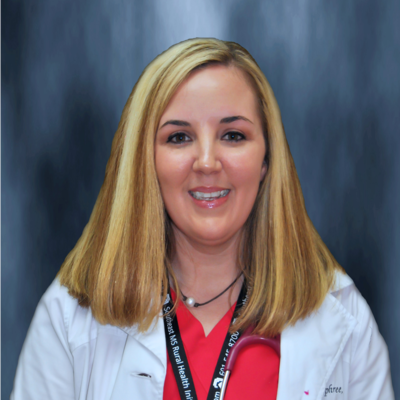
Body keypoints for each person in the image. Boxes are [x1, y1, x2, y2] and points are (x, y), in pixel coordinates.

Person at [10, 38, 394, 400]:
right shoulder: (67, 319)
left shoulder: (344, 320)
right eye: (179, 137)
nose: (207, 163)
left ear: (266, 160)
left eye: (233, 135)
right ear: (145, 161)